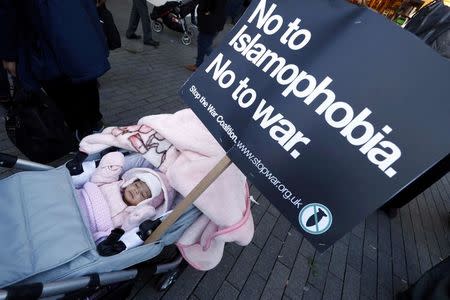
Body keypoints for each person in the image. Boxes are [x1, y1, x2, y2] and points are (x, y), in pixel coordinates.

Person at [0, 0, 110, 141]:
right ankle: (89, 129)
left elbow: (7, 10)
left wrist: (9, 54)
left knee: (68, 84)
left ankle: (86, 130)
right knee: (78, 80)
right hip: (66, 28)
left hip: (49, 34)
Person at [79, 151, 175, 243]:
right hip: (81, 199)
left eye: (142, 195)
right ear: (130, 182)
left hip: (89, 227)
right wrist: (111, 167)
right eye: (136, 185)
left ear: (146, 203)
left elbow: (123, 231)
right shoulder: (114, 184)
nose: (136, 190)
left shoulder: (132, 215)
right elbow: (99, 179)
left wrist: (134, 220)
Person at [185, 0, 228, 72]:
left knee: (204, 45)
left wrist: (205, 14)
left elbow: (210, 7)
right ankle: (199, 64)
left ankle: (220, 62)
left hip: (210, 23)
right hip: (214, 22)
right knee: (204, 43)